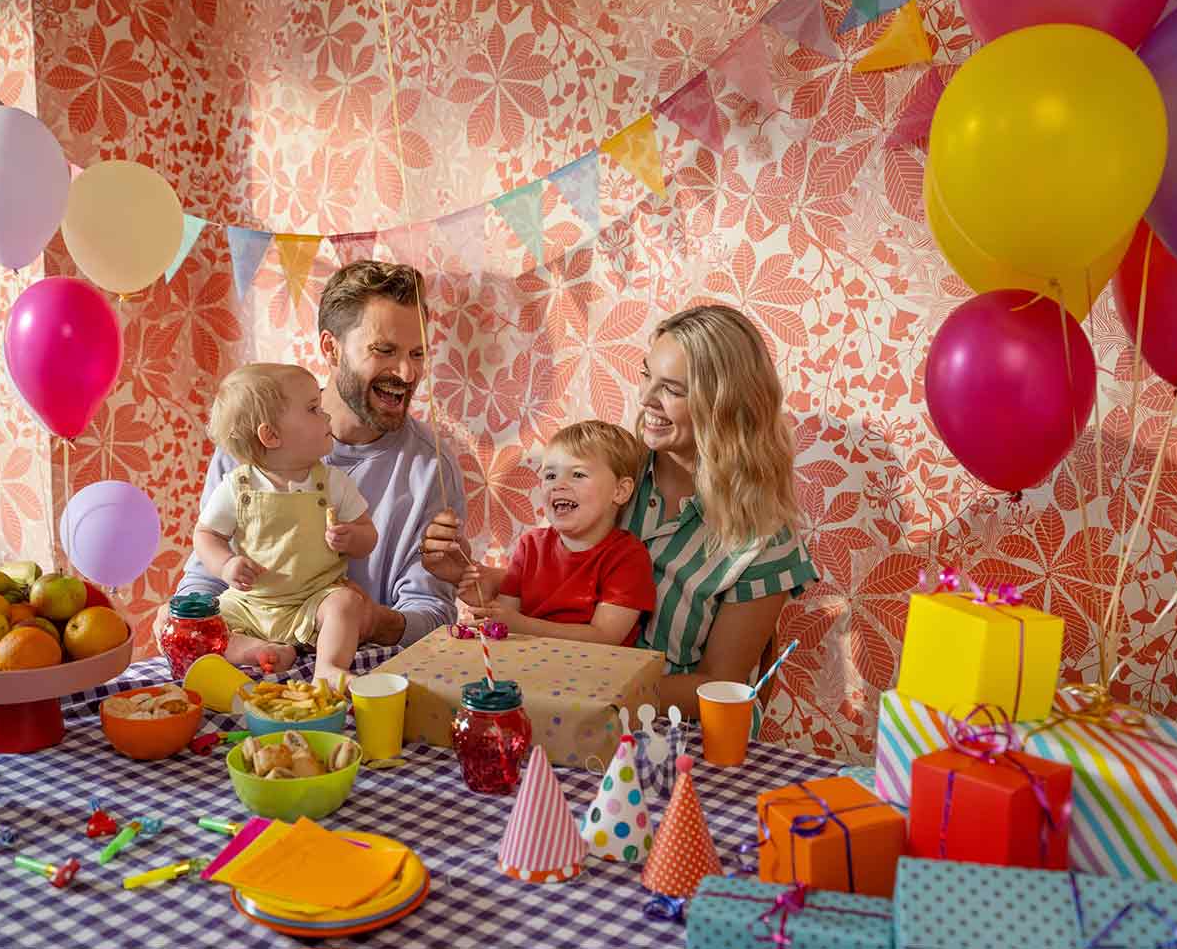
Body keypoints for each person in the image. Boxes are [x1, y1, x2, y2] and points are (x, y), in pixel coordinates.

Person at [423, 304, 816, 724]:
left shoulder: (764, 539)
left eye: (673, 389)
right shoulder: (606, 476)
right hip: (561, 706)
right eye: (647, 374)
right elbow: (561, 579)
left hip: (673, 733)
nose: (646, 399)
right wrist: (474, 575)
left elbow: (719, 686)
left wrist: (587, 689)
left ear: (725, 406)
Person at [155, 260, 465, 664]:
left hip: (357, 664)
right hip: (252, 645)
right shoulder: (253, 443)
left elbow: (433, 613)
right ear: (331, 349)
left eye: (417, 353)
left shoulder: (431, 468)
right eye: (384, 350)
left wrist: (373, 620)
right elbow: (206, 576)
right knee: (169, 618)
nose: (407, 372)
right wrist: (191, 621)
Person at [193, 363, 379, 683]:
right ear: (271, 435)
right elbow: (206, 534)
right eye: (313, 409)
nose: (327, 416)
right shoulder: (238, 487)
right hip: (250, 604)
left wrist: (353, 538)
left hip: (313, 601)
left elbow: (369, 536)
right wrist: (225, 565)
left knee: (347, 603)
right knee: (199, 627)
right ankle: (257, 650)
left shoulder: (333, 483)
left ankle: (329, 667)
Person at [457, 420, 656, 646]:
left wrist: (522, 625)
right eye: (550, 476)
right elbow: (503, 624)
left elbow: (606, 636)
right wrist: (482, 606)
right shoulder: (530, 546)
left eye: (578, 474)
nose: (558, 485)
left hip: (596, 673)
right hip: (527, 667)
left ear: (620, 491)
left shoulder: (627, 557)